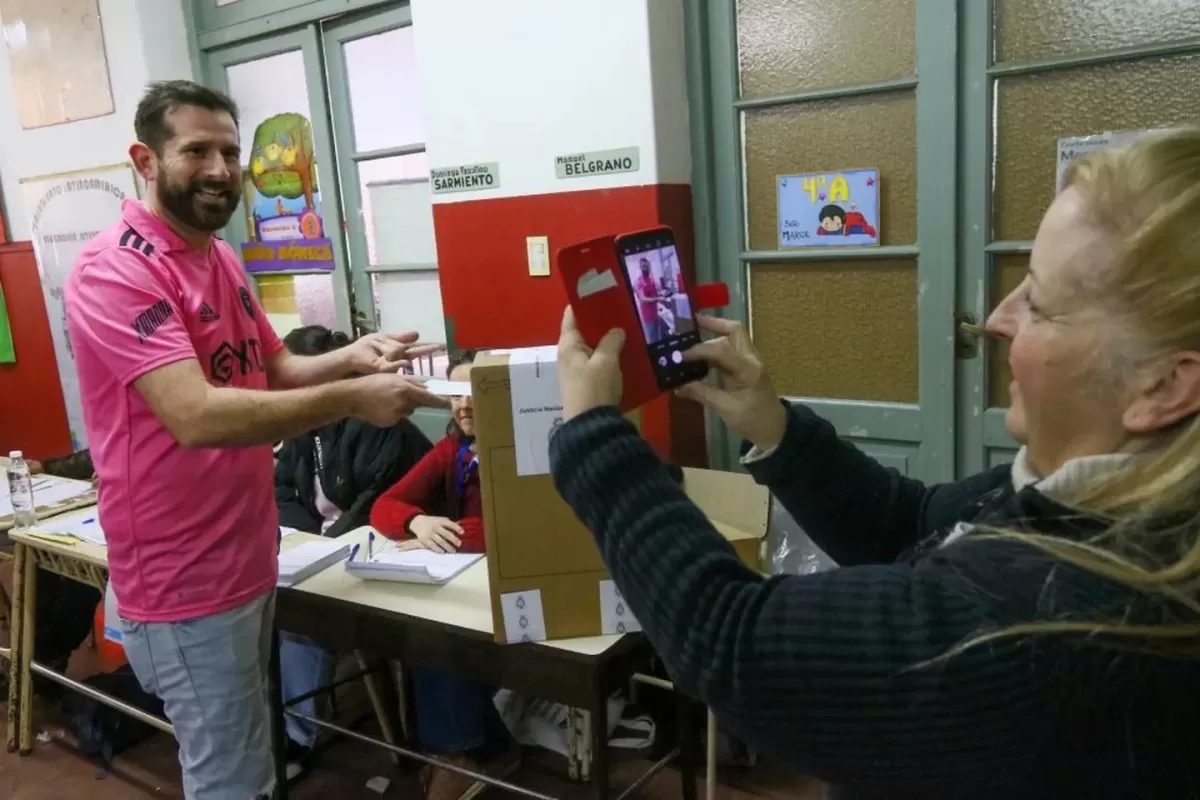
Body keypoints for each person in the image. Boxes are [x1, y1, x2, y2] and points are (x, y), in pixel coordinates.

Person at [548, 129, 1200, 798]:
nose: (999, 320)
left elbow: (728, 641)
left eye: (1037, 300)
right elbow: (909, 522)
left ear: (1163, 387)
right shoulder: (1103, 505)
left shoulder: (1056, 625)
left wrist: (595, 438)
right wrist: (771, 424)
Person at [63, 80, 448, 800]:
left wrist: (350, 356)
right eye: (196, 150)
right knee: (229, 775)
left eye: (230, 152)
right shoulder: (118, 269)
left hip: (245, 553)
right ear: (144, 159)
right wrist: (353, 400)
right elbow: (197, 415)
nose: (219, 169)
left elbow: (272, 369)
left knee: (250, 754)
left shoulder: (218, 256)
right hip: (182, 578)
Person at [274, 324, 433, 777]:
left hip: (383, 544)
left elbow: (378, 504)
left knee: (301, 622)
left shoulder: (380, 425)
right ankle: (275, 719)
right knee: (265, 610)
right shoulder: (303, 424)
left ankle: (297, 736)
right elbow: (284, 488)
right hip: (322, 547)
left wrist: (324, 546)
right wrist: (305, 540)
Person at [371, 350, 518, 799]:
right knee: (421, 629)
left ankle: (457, 755)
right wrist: (418, 523)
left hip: (516, 584)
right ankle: (467, 752)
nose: (465, 404)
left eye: (476, 392)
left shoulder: (526, 444)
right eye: (456, 394)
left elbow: (520, 526)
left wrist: (452, 534)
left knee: (438, 637)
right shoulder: (451, 448)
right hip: (467, 578)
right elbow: (385, 505)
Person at [633, 257, 663, 344]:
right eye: (643, 266)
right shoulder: (638, 282)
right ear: (640, 268)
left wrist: (659, 292)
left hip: (656, 314)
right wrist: (658, 298)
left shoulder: (651, 279)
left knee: (659, 338)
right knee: (653, 340)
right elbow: (643, 299)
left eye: (647, 266)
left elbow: (658, 290)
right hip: (648, 317)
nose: (645, 268)